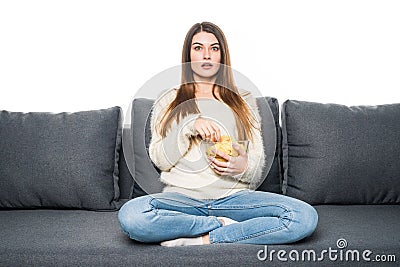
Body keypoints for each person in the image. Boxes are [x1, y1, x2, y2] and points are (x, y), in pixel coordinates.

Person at [118, 22, 318, 246]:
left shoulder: (243, 100)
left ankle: (207, 237)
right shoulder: (169, 99)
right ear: (188, 54)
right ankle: (221, 224)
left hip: (235, 199)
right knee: (132, 216)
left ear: (222, 55)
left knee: (304, 217)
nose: (206, 55)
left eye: (214, 48)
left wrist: (243, 166)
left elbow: (257, 162)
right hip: (182, 199)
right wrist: (188, 127)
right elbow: (159, 159)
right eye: (198, 48)